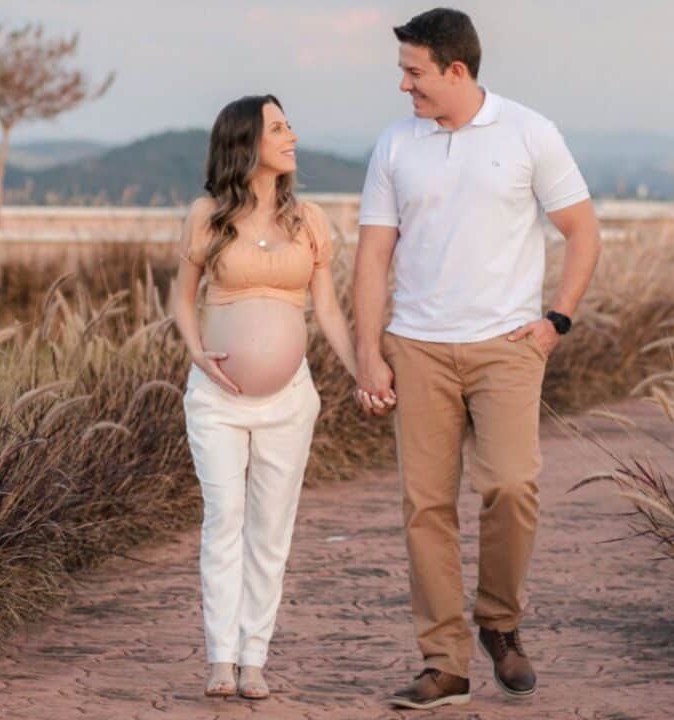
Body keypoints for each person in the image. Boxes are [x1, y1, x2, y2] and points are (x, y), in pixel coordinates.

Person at [353, 8, 602, 710]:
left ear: (455, 70)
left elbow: (582, 234)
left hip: (507, 349)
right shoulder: (396, 145)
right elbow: (373, 255)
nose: (404, 87)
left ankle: (500, 622)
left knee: (513, 486)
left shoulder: (530, 133)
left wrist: (557, 320)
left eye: (414, 72)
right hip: (418, 347)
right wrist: (370, 354)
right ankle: (444, 664)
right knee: (425, 507)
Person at [171, 94, 368, 699]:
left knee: (271, 528)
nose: (292, 136)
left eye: (288, 126)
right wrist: (197, 350)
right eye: (278, 128)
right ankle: (220, 659)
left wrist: (364, 369)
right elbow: (182, 297)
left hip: (289, 400)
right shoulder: (208, 214)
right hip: (217, 397)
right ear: (245, 142)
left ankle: (254, 656)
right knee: (223, 519)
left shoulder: (307, 220)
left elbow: (328, 308)